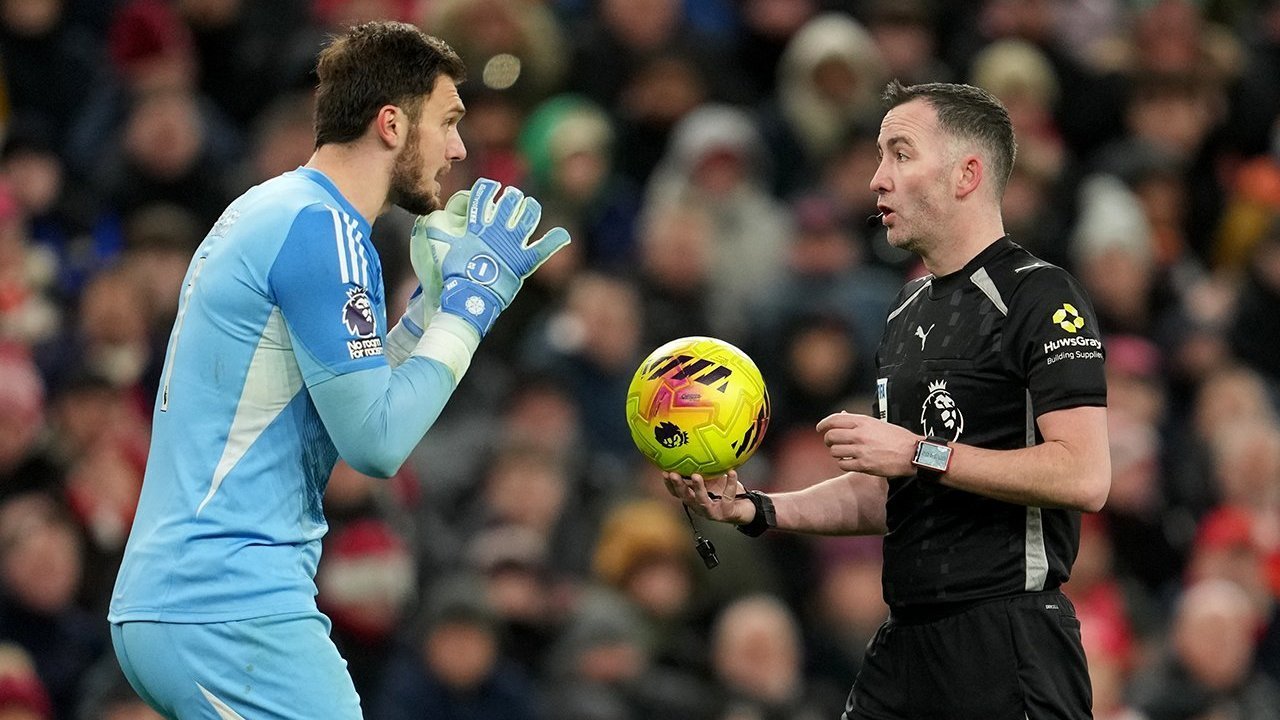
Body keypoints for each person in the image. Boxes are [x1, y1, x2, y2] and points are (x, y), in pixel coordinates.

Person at [107, 20, 570, 719]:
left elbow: (339, 396)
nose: (459, 148)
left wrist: (428, 314)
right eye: (447, 121)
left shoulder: (275, 210)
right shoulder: (325, 230)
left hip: (192, 600)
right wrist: (470, 311)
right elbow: (376, 443)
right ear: (391, 124)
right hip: (227, 606)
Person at [665, 80, 1111, 720]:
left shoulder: (1041, 297)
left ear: (967, 174)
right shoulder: (903, 312)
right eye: (879, 156)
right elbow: (892, 490)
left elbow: (1084, 474)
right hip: (907, 637)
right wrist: (757, 507)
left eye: (900, 154)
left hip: (1009, 643)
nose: (877, 179)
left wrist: (920, 453)